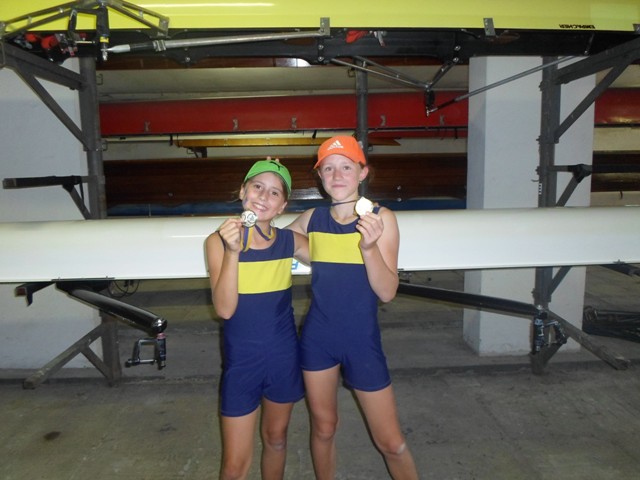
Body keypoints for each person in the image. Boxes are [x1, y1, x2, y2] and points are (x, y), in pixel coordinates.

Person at [287, 136, 419, 480]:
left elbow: (387, 292)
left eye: (346, 167)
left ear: (363, 172)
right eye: (328, 168)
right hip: (317, 338)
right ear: (320, 176)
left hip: (361, 341)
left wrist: (369, 248)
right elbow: (273, 240)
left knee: (391, 443)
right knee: (323, 428)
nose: (337, 175)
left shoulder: (381, 218)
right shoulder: (312, 218)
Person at [205, 158, 309, 480]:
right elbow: (225, 309)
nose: (264, 196)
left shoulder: (290, 242)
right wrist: (233, 251)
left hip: (283, 357)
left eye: (275, 193)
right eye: (258, 187)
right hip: (242, 363)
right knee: (235, 465)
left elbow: (336, 258)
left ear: (282, 206)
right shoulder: (217, 242)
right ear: (243, 192)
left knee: (276, 439)